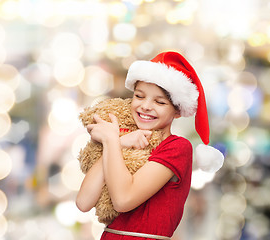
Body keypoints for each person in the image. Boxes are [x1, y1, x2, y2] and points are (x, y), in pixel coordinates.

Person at [76, 51, 223, 239]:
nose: (145, 106)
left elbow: (123, 199)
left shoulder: (177, 147)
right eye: (139, 96)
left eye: (159, 101)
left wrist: (112, 140)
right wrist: (120, 142)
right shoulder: (124, 141)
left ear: (177, 110)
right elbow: (83, 202)